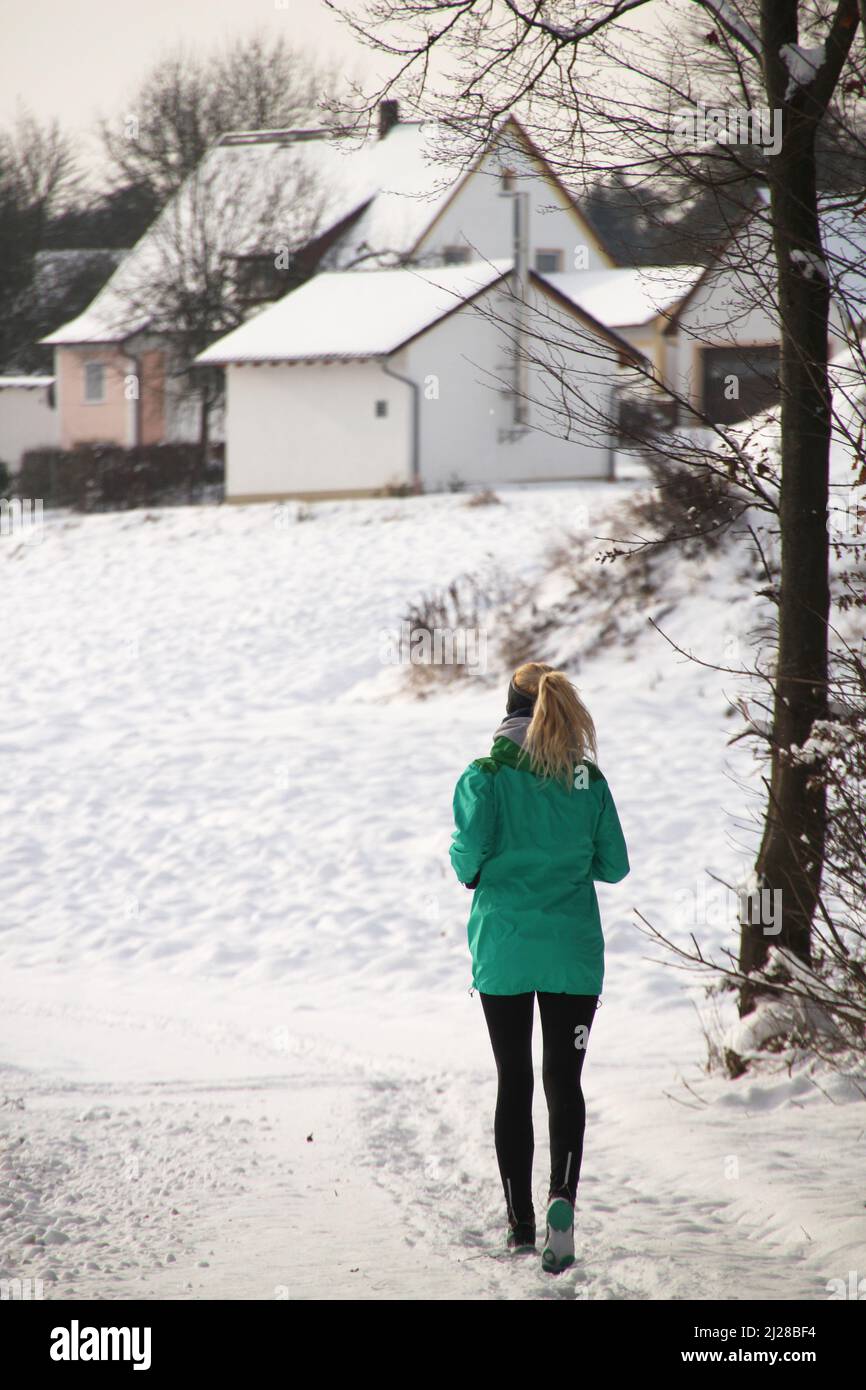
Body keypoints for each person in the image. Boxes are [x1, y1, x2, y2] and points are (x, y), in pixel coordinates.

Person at [449, 661, 630, 1273]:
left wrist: (476, 864)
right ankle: (563, 1199)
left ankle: (520, 1225)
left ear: (507, 711)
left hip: (504, 949)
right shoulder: (585, 778)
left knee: (514, 1082)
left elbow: (467, 858)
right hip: (573, 954)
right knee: (563, 1081)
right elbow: (614, 866)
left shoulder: (486, 776)